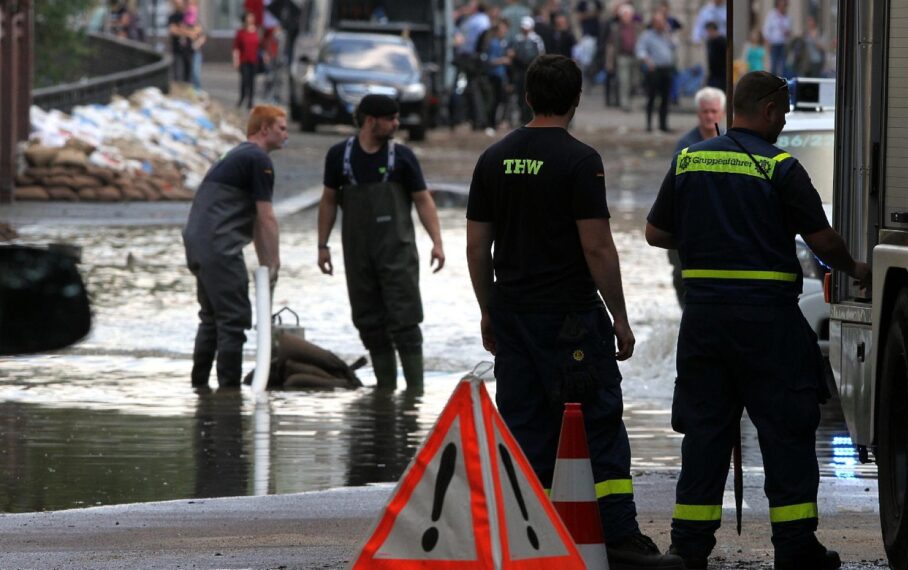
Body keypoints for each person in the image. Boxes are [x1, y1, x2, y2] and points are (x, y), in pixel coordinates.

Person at [466, 54, 684, 570]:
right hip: (571, 320)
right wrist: (620, 318)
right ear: (577, 99)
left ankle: (529, 540)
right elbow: (597, 247)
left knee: (524, 425)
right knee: (597, 422)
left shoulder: (493, 158)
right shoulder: (581, 161)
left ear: (526, 97)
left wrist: (488, 309)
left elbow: (477, 248)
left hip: (514, 314)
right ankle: (617, 538)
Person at [645, 71, 868, 570]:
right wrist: (855, 268)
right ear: (767, 110)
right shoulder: (781, 168)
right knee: (786, 433)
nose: (784, 122)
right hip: (768, 323)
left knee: (704, 434)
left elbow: (655, 233)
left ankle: (688, 548)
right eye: (783, 113)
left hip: (704, 322)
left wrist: (704, 238)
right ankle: (795, 548)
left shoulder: (689, 160)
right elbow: (823, 241)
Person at [316, 95, 445, 391]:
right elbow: (328, 201)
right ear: (371, 121)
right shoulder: (339, 156)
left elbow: (423, 200)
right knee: (369, 322)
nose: (397, 123)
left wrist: (437, 242)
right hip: (358, 254)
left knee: (406, 321)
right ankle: (385, 393)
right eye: (391, 119)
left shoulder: (402, 157)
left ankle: (415, 394)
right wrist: (322, 246)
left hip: (397, 252)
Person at [183, 105, 287, 389]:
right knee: (233, 320)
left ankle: (199, 387)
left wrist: (266, 266)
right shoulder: (258, 159)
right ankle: (229, 393)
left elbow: (254, 223)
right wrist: (275, 261)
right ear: (264, 129)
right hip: (220, 247)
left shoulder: (236, 155)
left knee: (211, 318)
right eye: (281, 128)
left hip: (198, 244)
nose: (287, 135)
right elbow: (266, 217)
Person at [666, 86, 726, 307]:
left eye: (714, 111)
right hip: (688, 220)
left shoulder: (732, 141)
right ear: (698, 113)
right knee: (681, 272)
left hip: (720, 221)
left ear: (722, 113)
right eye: (705, 111)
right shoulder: (685, 145)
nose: (709, 116)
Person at [636, 12, 677, 133]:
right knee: (652, 97)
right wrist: (647, 60)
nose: (661, 25)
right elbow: (640, 50)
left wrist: (669, 33)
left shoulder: (667, 34)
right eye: (658, 22)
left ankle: (663, 125)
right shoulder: (647, 36)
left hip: (666, 69)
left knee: (665, 98)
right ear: (653, 24)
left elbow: (675, 45)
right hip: (654, 70)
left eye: (663, 22)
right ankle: (649, 125)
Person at [234, 12, 261, 110]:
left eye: (252, 18)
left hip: (253, 60)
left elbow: (260, 45)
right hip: (244, 60)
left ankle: (250, 101)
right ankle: (242, 98)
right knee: (244, 80)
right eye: (249, 18)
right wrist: (236, 60)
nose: (250, 20)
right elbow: (236, 48)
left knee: (252, 81)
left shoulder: (257, 31)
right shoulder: (241, 32)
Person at [763, 0, 791, 76]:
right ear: (778, 5)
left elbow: (789, 30)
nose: (783, 7)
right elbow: (766, 29)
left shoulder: (787, 16)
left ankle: (782, 82)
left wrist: (787, 32)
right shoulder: (771, 15)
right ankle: (773, 81)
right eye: (781, 4)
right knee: (774, 66)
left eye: (785, 5)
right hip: (774, 43)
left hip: (784, 43)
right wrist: (767, 42)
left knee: (783, 66)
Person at [703, 22, 726, 90]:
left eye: (710, 31)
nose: (708, 33)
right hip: (713, 74)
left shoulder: (722, 41)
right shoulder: (709, 42)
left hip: (722, 74)